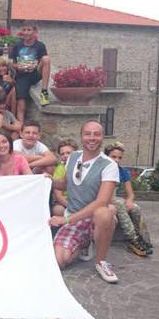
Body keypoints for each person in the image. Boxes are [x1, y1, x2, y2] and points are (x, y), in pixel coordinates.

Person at [49, 120, 120, 284]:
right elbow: (65, 183)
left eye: (97, 134)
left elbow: (102, 201)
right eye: (88, 134)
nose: (92, 138)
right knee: (59, 261)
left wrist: (66, 220)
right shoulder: (73, 157)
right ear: (81, 136)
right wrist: (49, 181)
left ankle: (101, 262)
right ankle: (83, 244)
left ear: (103, 137)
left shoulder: (109, 165)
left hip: (92, 218)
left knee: (104, 212)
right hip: (74, 217)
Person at [104, 142, 153, 257]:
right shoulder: (102, 169)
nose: (116, 160)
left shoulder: (122, 172)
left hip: (114, 198)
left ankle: (139, 236)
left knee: (135, 208)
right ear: (106, 156)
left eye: (119, 157)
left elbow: (130, 193)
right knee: (120, 203)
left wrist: (130, 201)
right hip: (102, 199)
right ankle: (133, 239)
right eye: (113, 157)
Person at [11, 20, 52, 110]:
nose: (26, 32)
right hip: (22, 75)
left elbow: (43, 61)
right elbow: (12, 63)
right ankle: (19, 122)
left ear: (35, 31)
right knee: (21, 101)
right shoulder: (17, 45)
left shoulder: (40, 46)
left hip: (35, 73)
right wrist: (17, 66)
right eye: (24, 30)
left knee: (46, 58)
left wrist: (35, 66)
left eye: (29, 30)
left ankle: (44, 92)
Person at [52, 139, 78, 216]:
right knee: (58, 210)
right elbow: (58, 195)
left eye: (68, 153)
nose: (65, 156)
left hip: (81, 200)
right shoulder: (60, 169)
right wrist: (72, 207)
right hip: (65, 202)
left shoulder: (83, 165)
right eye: (62, 154)